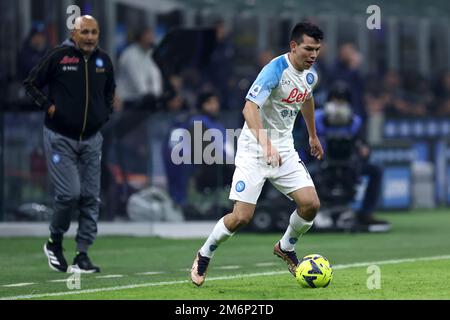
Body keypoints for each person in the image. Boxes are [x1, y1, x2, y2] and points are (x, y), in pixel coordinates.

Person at [191, 22, 324, 286]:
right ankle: (204, 253)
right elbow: (249, 109)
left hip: (283, 149)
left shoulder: (311, 75)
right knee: (242, 217)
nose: (313, 55)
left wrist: (312, 135)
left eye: (317, 50)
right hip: (254, 149)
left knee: (311, 205)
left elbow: (307, 98)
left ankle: (285, 247)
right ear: (294, 46)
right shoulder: (274, 70)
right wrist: (266, 145)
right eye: (308, 49)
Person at [23, 15, 116, 273]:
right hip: (60, 137)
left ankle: (82, 254)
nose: (89, 37)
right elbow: (30, 84)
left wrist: (103, 115)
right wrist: (48, 107)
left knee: (90, 197)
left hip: (92, 139)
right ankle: (54, 242)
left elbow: (110, 91)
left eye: (93, 32)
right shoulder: (59, 57)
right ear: (74, 34)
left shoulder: (103, 60)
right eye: (84, 32)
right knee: (69, 194)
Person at [315, 81, 390, 231]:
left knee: (376, 170)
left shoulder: (355, 122)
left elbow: (364, 145)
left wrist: (365, 150)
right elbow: (305, 144)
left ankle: (366, 213)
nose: (338, 105)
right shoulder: (316, 119)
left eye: (342, 101)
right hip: (320, 164)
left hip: (349, 165)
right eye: (335, 100)